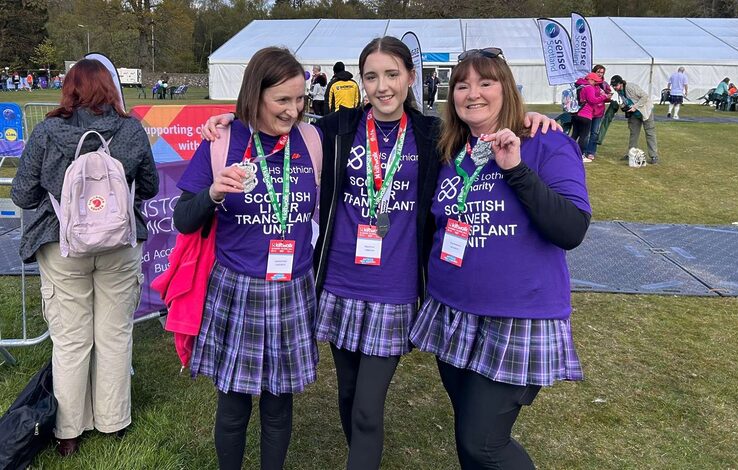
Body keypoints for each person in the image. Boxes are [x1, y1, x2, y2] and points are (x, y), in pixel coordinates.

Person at [201, 38, 558, 470]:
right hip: (339, 285)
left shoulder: (434, 134)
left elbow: (485, 128)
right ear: (360, 81)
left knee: (368, 407)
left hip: (396, 288)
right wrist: (228, 119)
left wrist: (530, 118)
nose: (383, 86)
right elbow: (278, 120)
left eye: (392, 74)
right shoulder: (335, 129)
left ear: (411, 77)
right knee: (349, 398)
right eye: (372, 76)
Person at [410, 47, 591, 469]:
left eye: (485, 82)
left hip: (516, 316)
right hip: (452, 311)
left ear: (506, 88)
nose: (473, 93)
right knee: (468, 433)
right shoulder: (451, 149)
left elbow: (571, 230)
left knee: (484, 443)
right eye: (462, 85)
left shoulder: (545, 141)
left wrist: (516, 169)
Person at [173, 46, 320, 470]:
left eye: (299, 99)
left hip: (294, 287)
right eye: (282, 100)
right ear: (255, 95)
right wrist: (214, 193)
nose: (293, 110)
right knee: (234, 404)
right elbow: (184, 219)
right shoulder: (222, 140)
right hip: (238, 286)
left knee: (279, 403)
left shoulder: (311, 139)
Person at [10, 58, 159, 456]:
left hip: (62, 246)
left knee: (71, 341)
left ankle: (69, 432)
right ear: (111, 88)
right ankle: (113, 423)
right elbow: (150, 186)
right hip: (120, 246)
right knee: (114, 335)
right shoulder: (131, 130)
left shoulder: (45, 133)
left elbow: (22, 195)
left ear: (68, 89)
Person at [610, 75, 659, 164]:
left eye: (615, 85)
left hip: (645, 111)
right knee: (633, 134)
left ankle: (654, 156)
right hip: (634, 114)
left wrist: (635, 107)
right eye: (613, 86)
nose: (614, 87)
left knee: (650, 133)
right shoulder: (619, 90)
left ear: (621, 83)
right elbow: (628, 100)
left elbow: (645, 96)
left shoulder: (631, 87)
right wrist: (624, 106)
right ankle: (631, 154)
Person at [571, 72, 610, 162]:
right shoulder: (589, 87)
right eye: (595, 81)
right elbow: (592, 100)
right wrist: (603, 97)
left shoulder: (580, 86)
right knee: (584, 136)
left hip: (576, 113)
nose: (596, 83)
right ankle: (580, 155)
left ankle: (568, 152)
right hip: (586, 114)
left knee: (574, 134)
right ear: (590, 80)